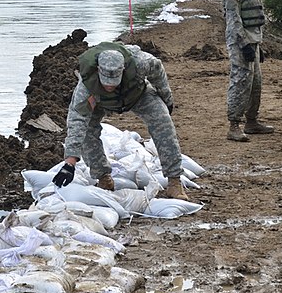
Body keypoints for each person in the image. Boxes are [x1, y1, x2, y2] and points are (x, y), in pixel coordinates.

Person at [52, 41, 189, 200]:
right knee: (88, 131)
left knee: (163, 122)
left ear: (123, 70)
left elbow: (158, 71)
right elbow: (77, 121)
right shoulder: (87, 86)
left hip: (137, 95)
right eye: (106, 82)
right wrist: (70, 163)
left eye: (114, 82)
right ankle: (103, 178)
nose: (110, 86)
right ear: (98, 70)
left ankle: (174, 181)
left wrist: (167, 99)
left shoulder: (140, 63)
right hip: (100, 101)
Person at [217, 0, 275, 142]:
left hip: (253, 40)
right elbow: (233, 20)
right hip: (239, 41)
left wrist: (258, 45)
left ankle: (251, 121)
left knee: (256, 83)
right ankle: (234, 125)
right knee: (241, 82)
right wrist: (244, 45)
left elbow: (255, 19)